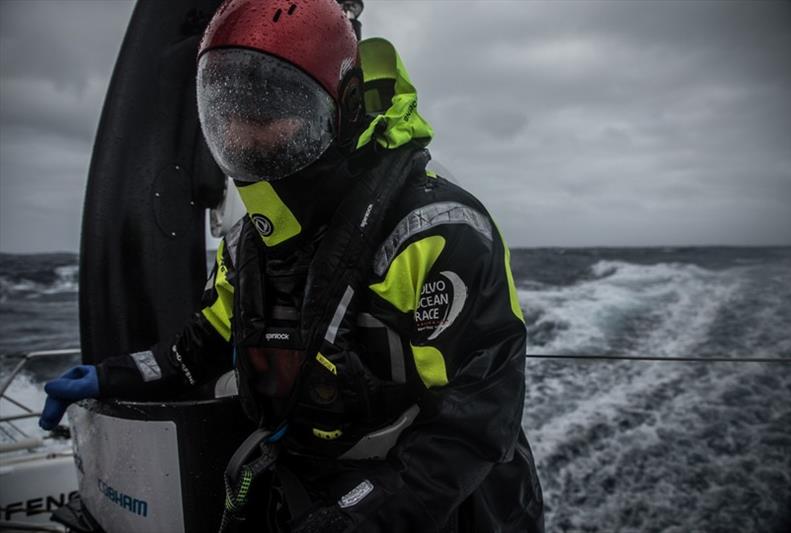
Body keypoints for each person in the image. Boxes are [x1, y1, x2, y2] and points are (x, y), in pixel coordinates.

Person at [39, 0, 545, 531]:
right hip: (309, 490)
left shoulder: (437, 233)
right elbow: (200, 351)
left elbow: (474, 422)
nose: (244, 134)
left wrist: (360, 519)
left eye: (269, 110)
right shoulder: (250, 242)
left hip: (452, 510)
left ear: (342, 110)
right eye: (229, 111)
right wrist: (113, 375)